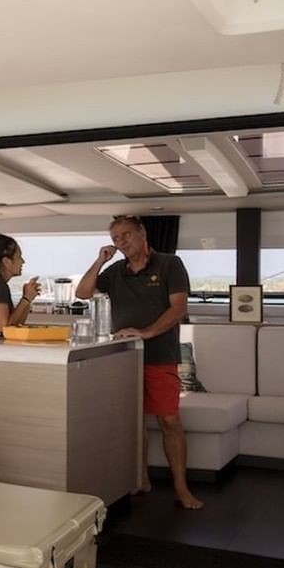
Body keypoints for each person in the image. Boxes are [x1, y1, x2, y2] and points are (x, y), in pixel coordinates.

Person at [76, 215, 202, 510]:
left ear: (142, 233)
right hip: (123, 359)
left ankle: (181, 488)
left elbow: (178, 308)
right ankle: (140, 479)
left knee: (169, 421)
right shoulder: (115, 271)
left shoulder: (170, 264)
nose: (121, 241)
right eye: (116, 238)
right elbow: (82, 293)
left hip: (159, 356)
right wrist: (100, 261)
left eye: (126, 234)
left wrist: (146, 333)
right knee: (133, 423)